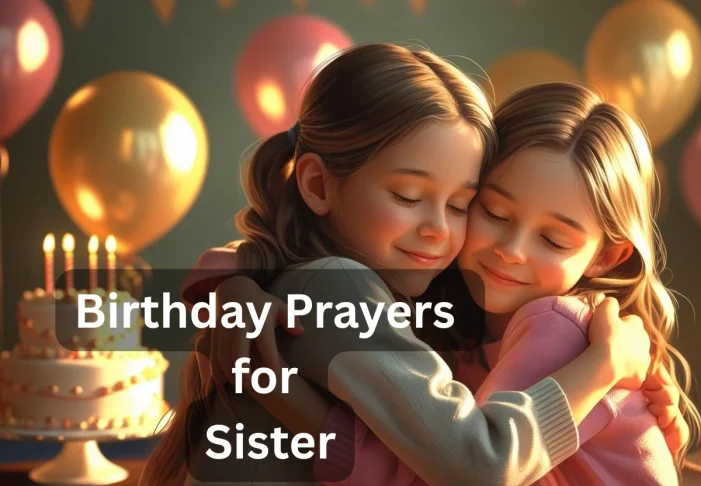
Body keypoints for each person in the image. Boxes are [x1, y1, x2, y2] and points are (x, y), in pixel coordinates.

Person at [140, 43, 656, 486]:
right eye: (409, 196)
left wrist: (228, 283)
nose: (439, 228)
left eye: (460, 205)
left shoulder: (413, 293)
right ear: (319, 185)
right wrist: (605, 366)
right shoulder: (344, 285)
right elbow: (478, 463)